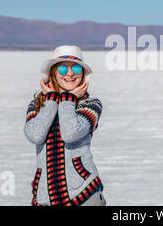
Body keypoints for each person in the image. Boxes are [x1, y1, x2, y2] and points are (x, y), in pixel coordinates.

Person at [24, 45, 106, 206]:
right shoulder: (37, 105)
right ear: (53, 73)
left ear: (83, 74)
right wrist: (51, 101)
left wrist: (68, 100)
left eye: (76, 68)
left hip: (83, 196)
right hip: (45, 198)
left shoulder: (90, 105)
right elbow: (35, 135)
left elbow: (70, 133)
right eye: (62, 69)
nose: (70, 74)